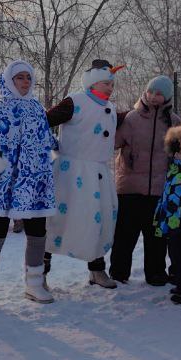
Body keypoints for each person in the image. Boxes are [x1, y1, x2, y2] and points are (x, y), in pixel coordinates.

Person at [0, 61, 57, 306]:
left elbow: (48, 140)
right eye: (20, 77)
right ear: (8, 81)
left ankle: (35, 283)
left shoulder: (38, 108)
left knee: (38, 231)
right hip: (6, 182)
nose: (25, 82)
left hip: (35, 182)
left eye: (29, 77)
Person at [42, 60, 123, 289]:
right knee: (57, 222)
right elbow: (45, 120)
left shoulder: (112, 109)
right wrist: (47, 145)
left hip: (98, 173)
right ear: (93, 82)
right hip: (71, 174)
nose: (110, 87)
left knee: (99, 221)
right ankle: (40, 272)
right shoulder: (75, 101)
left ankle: (97, 270)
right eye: (106, 83)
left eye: (111, 84)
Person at [110, 75, 181, 286]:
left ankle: (155, 273)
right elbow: (113, 142)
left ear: (167, 96)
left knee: (156, 236)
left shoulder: (175, 123)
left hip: (159, 191)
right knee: (125, 235)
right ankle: (118, 272)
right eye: (151, 91)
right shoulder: (131, 119)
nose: (153, 97)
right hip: (129, 187)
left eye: (159, 94)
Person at [153, 125, 181, 305]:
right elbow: (167, 191)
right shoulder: (174, 168)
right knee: (175, 253)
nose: (178, 152)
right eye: (175, 149)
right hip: (172, 218)